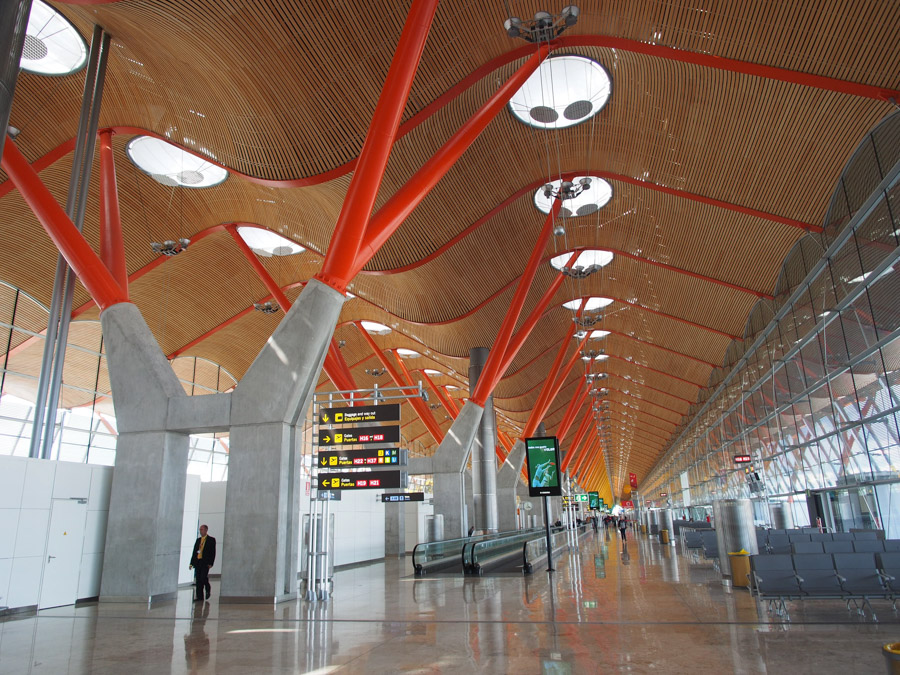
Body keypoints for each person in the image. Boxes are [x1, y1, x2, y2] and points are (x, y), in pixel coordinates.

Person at [189, 524, 216, 602]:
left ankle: (207, 588)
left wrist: (211, 563)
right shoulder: (198, 540)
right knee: (198, 580)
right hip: (198, 562)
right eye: (200, 530)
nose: (200, 531)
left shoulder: (211, 540)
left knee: (203, 577)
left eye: (202, 529)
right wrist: (191, 563)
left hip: (205, 562)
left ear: (206, 530)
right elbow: (194, 552)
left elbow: (213, 552)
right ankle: (199, 596)